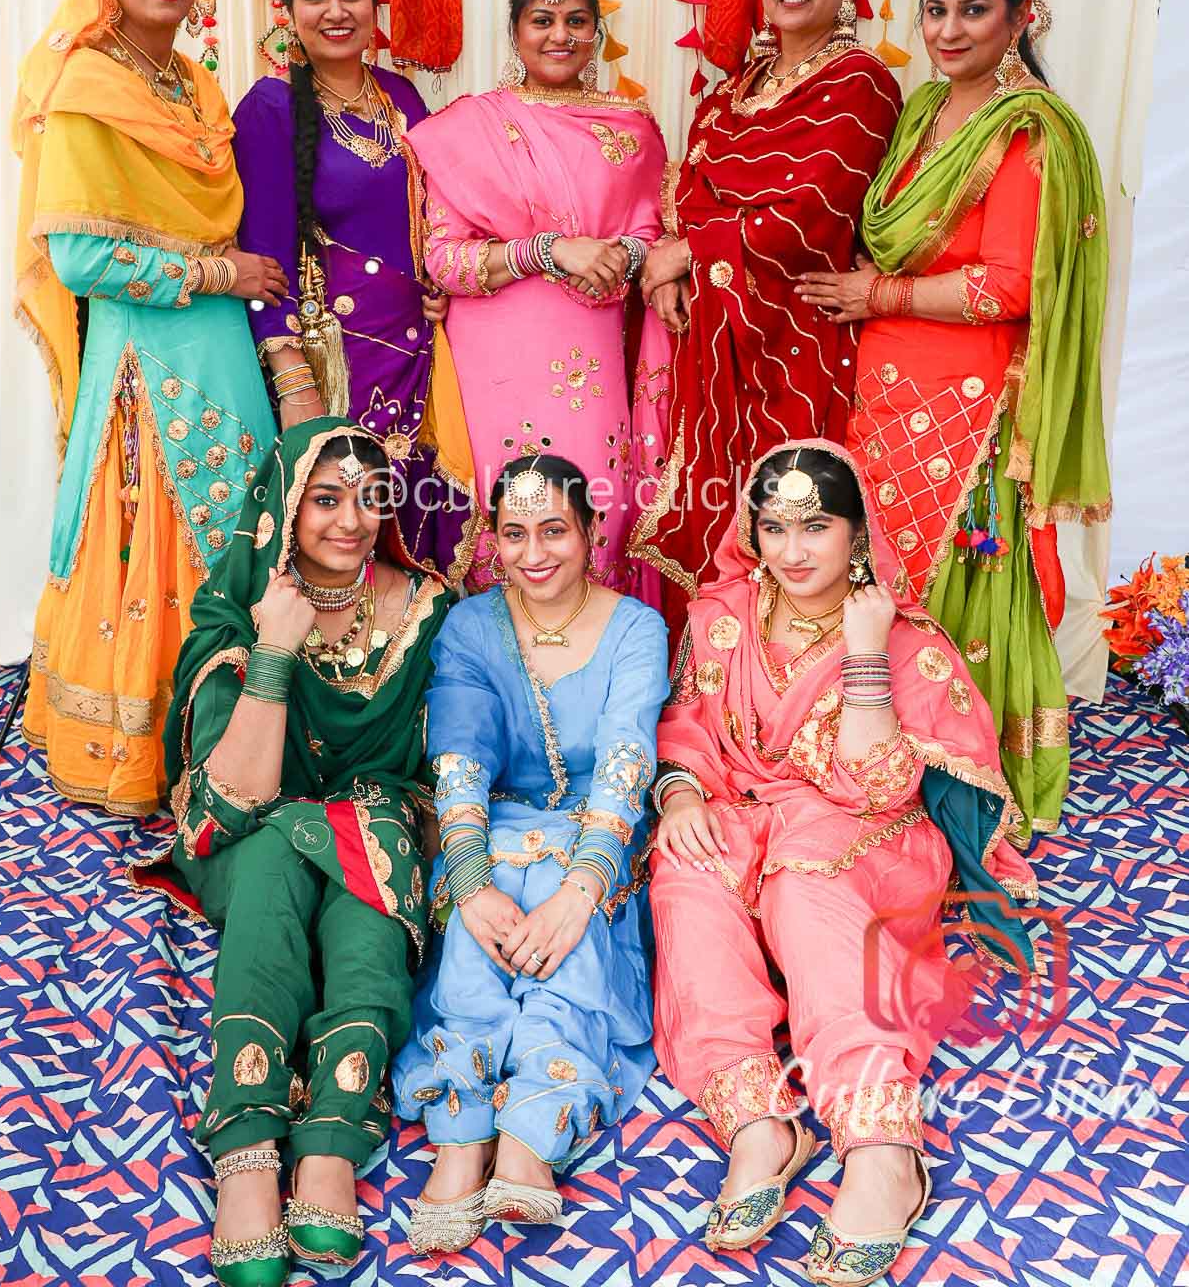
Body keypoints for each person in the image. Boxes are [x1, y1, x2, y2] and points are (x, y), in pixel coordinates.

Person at [649, 442, 1037, 1284]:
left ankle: (880, 1148)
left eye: (816, 527)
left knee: (801, 886)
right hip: (746, 806)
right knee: (685, 870)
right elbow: (688, 727)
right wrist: (680, 795)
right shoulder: (723, 615)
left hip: (860, 832)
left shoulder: (906, 645)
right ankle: (758, 1121)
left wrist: (865, 649)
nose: (791, 550)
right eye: (775, 525)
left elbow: (883, 788)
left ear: (857, 536)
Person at [796, 0, 1109, 839]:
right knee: (879, 578)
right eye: (935, 9)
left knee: (952, 591)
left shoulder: (1027, 129)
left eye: (973, 9)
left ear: (1020, 17)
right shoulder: (925, 105)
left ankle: (960, 784)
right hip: (884, 392)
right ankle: (875, 755)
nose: (949, 28)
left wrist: (878, 292)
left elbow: (1008, 284)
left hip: (964, 408)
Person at [138, 420, 453, 1285]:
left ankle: (331, 1142)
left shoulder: (426, 608)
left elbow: (442, 766)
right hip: (256, 833)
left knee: (374, 842)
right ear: (284, 506)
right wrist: (276, 648)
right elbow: (229, 808)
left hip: (374, 826)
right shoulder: (237, 609)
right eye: (324, 498)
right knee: (281, 850)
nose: (351, 519)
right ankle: (245, 1145)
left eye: (369, 496)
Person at [15, 0, 282, 815]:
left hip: (222, 353)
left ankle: (235, 742)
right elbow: (81, 255)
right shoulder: (85, 85)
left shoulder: (200, 85)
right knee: (166, 534)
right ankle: (137, 749)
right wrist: (222, 274)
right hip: (147, 364)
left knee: (237, 530)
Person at [391, 454, 668, 1254]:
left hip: (599, 842)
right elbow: (462, 757)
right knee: (488, 923)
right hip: (490, 835)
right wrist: (471, 882)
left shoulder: (635, 627)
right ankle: (462, 1132)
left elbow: (625, 764)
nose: (534, 552)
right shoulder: (473, 625)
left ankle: (529, 1129)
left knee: (563, 926)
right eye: (514, 533)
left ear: (590, 533)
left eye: (554, 529)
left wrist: (581, 890)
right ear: (494, 541)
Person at [632, 0, 902, 637]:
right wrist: (671, 271)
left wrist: (686, 253)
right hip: (713, 342)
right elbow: (690, 192)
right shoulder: (729, 91)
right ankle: (710, 691)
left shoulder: (861, 83)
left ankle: (794, 708)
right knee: (719, 507)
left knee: (795, 514)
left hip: (799, 339)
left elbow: (808, 211)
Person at [406, 0, 671, 594]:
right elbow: (444, 260)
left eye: (577, 20)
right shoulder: (470, 128)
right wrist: (550, 251)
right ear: (515, 30)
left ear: (597, 31)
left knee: (592, 507)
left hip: (591, 348)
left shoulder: (632, 129)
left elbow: (653, 234)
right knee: (506, 512)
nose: (561, 36)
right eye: (543, 20)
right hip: (496, 361)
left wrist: (621, 258)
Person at [234, 0, 477, 580]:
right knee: (343, 529)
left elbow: (435, 218)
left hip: (422, 358)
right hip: (338, 364)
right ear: (289, 13)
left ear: (376, 6)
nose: (336, 11)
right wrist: (294, 389)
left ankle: (414, 668)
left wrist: (439, 281)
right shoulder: (271, 108)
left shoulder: (403, 98)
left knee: (420, 525)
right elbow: (263, 257)